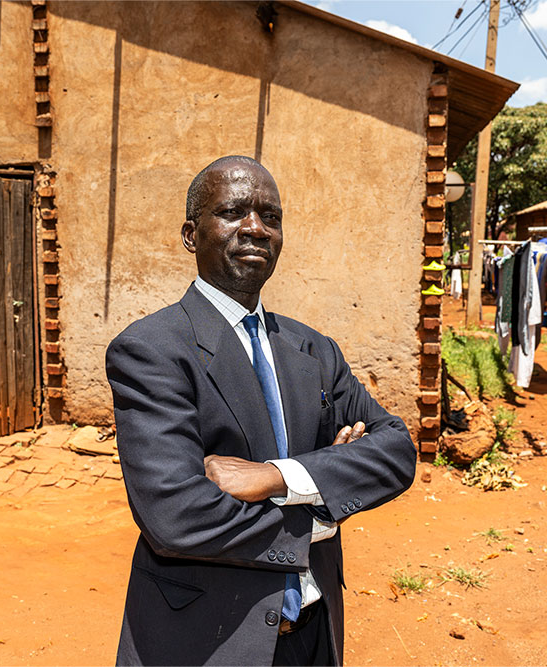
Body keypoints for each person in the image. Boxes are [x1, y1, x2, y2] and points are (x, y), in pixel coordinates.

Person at [106, 155, 417, 666]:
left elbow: (396, 450)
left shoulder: (313, 350)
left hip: (314, 632)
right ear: (191, 235)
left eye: (270, 217)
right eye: (233, 212)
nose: (255, 228)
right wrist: (322, 508)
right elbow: (176, 516)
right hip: (211, 640)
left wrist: (278, 477)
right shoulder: (152, 350)